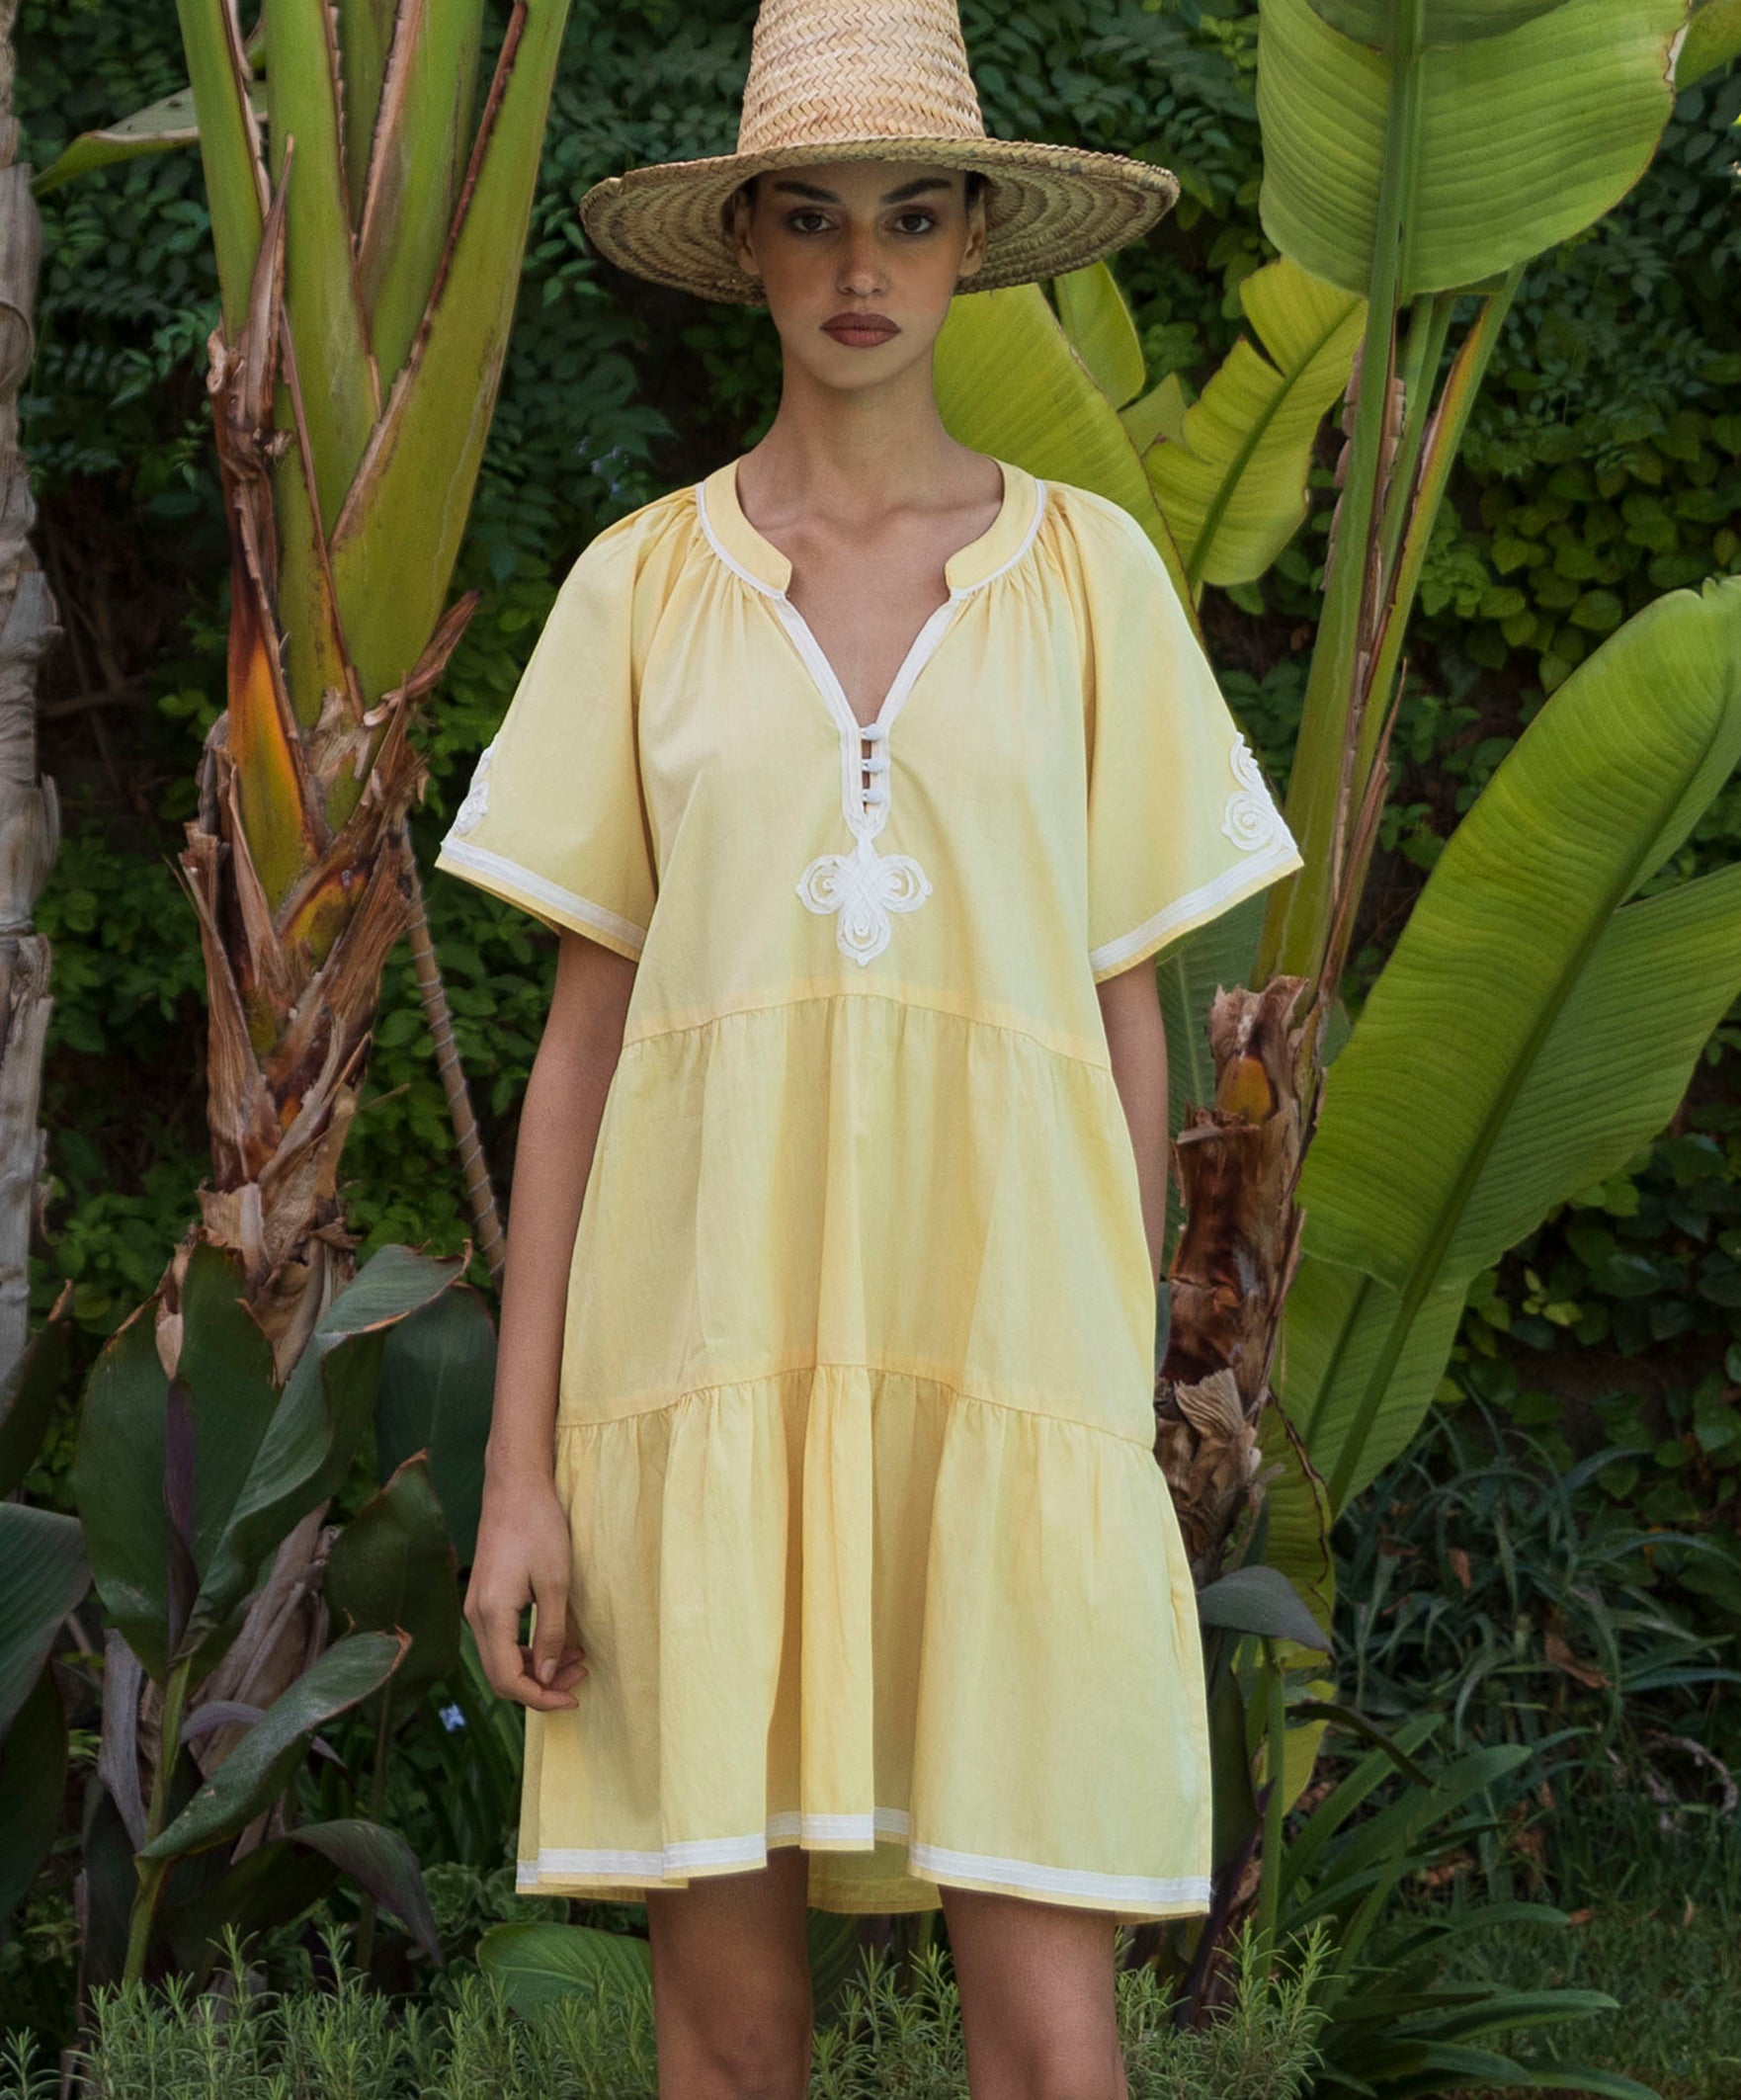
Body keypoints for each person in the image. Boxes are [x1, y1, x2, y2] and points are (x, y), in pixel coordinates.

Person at [438, 1, 1304, 2093]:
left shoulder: (1086, 577)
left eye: (910, 219)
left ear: (970, 248)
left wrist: (1104, 1401)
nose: (857, 268)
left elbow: (1127, 1013)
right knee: (726, 2048)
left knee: (1045, 2042)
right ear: (744, 242)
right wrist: (520, 1474)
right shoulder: (638, 589)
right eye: (811, 218)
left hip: (1007, 1388)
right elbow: (579, 1053)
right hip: (699, 1381)